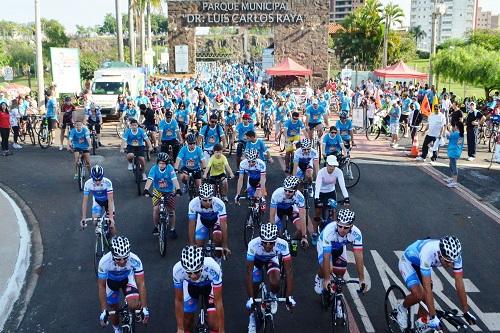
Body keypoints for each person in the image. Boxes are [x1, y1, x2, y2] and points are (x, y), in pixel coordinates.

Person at [396, 236, 477, 331]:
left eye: (452, 261)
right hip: (408, 262)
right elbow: (427, 289)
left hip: (423, 264)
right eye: (447, 261)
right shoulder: (428, 252)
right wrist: (433, 316)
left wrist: (466, 310)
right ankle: (401, 309)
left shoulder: (455, 256)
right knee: (420, 295)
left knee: (426, 301)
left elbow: (459, 284)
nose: (450, 265)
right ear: (440, 254)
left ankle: (421, 323)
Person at [245, 224, 295, 332]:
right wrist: (250, 298)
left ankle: (272, 295)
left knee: (275, 282)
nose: (268, 246)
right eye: (265, 242)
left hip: (271, 259)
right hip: (257, 261)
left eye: (271, 243)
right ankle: (252, 319)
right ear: (260, 239)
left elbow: (289, 271)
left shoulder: (283, 244)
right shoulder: (253, 244)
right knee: (254, 286)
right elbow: (248, 272)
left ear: (276, 240)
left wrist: (289, 297)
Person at [98, 236, 149, 333]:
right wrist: (103, 311)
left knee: (134, 305)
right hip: (111, 282)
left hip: (127, 279)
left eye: (125, 258)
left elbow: (141, 283)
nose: (122, 261)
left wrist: (144, 307)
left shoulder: (135, 260)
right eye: (118, 259)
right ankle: (117, 329)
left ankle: (134, 310)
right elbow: (102, 286)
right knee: (113, 308)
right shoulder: (104, 262)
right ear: (112, 255)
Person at [173, 245, 225, 333]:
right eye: (189, 272)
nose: (193, 276)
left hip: (209, 286)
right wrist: (180, 328)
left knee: (215, 325)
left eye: (197, 271)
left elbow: (218, 301)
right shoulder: (177, 270)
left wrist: (222, 329)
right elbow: (179, 300)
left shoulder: (213, 267)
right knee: (186, 323)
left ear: (202, 265)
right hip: (190, 286)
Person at [314, 208, 366, 295]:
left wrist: (362, 279)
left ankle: (337, 298)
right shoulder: (329, 231)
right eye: (340, 226)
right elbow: (326, 256)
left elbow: (359, 256)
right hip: (324, 246)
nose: (342, 229)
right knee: (328, 268)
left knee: (341, 271)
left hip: (339, 246)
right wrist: (326, 279)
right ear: (336, 223)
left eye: (346, 227)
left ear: (351, 226)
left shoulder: (356, 234)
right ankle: (319, 277)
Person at [312, 155, 350, 245]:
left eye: (334, 166)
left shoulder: (338, 172)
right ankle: (314, 233)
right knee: (317, 212)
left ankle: (332, 233)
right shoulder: (321, 172)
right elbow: (317, 187)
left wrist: (346, 197)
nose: (332, 168)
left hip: (331, 193)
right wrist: (317, 199)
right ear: (327, 164)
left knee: (333, 212)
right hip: (320, 193)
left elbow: (342, 186)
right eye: (330, 166)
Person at [188, 183, 230, 260]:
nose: (208, 202)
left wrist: (224, 244)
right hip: (203, 221)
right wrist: (191, 244)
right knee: (198, 245)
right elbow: (191, 224)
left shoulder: (219, 203)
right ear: (199, 198)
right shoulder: (193, 204)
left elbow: (223, 224)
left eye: (210, 199)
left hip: (216, 221)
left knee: (217, 235)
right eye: (204, 200)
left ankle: (218, 259)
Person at [143, 152, 182, 237]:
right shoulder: (154, 169)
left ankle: (172, 228)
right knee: (156, 209)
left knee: (171, 211)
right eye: (160, 163)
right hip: (158, 190)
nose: (161, 165)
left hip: (169, 191)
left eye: (164, 163)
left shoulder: (170, 169)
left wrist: (178, 189)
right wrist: (146, 189)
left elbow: (174, 179)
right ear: (157, 163)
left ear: (167, 164)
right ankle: (156, 226)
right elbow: (150, 179)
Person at [269, 176, 309, 252]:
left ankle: (292, 240)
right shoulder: (276, 194)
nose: (287, 193)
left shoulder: (300, 197)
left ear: (295, 190)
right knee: (277, 233)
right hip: (279, 209)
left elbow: (302, 217)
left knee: (301, 229)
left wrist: (304, 236)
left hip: (291, 209)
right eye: (286, 190)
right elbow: (272, 215)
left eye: (290, 191)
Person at [81, 165, 115, 232]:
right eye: (95, 180)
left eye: (99, 180)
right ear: (92, 177)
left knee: (111, 225)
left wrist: (111, 218)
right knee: (95, 222)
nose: (97, 182)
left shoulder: (107, 182)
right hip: (97, 202)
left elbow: (110, 200)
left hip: (108, 202)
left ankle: (111, 238)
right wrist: (83, 218)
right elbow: (85, 202)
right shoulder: (88, 184)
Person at [444, 121, 465, 188]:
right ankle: (452, 178)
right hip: (457, 151)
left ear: (457, 127)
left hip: (453, 151)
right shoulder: (460, 134)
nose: (454, 126)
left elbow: (448, 136)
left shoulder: (455, 134)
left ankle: (454, 181)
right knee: (451, 165)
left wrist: (446, 129)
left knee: (453, 166)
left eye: (455, 125)